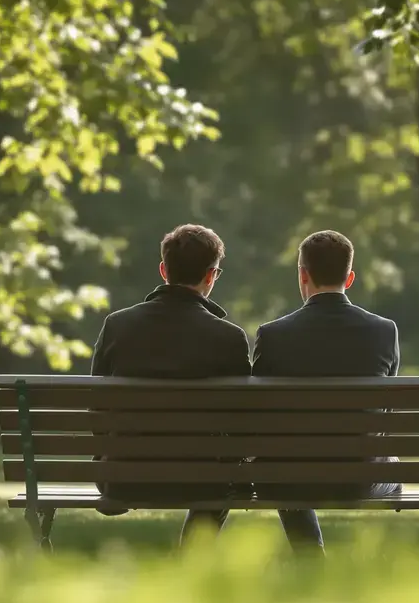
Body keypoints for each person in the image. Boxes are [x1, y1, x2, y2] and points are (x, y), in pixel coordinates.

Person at [182, 230, 402, 555]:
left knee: (285, 466)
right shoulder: (385, 331)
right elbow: (386, 410)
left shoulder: (274, 335)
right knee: (387, 464)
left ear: (303, 274)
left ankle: (309, 555)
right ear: (350, 277)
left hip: (290, 477)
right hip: (361, 477)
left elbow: (257, 412)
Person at [89, 223, 251, 533]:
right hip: (203, 480)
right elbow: (241, 419)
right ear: (210, 275)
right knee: (224, 474)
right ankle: (193, 556)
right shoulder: (228, 337)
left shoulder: (117, 325)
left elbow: (97, 407)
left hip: (123, 476)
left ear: (164, 270)